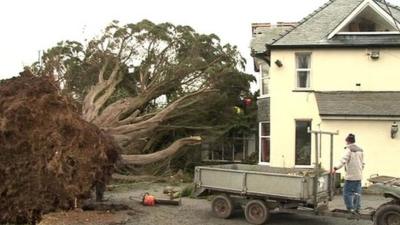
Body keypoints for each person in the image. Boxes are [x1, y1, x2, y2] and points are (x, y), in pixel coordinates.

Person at [333, 133, 365, 214]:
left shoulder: (349, 150)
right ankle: (357, 208)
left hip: (351, 176)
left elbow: (343, 161)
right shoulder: (360, 150)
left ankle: (350, 209)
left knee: (347, 193)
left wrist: (335, 168)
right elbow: (363, 163)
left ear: (347, 141)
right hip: (359, 176)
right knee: (357, 193)